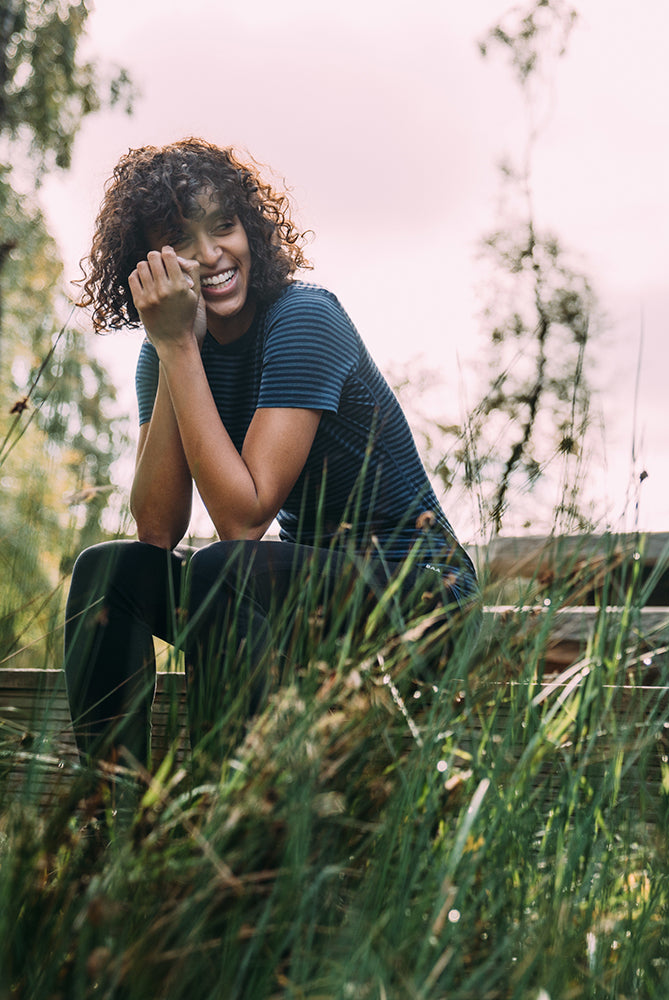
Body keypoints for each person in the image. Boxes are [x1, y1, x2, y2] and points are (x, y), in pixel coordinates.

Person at [63, 138, 478, 770]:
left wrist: (178, 350)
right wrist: (178, 347)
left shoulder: (304, 319)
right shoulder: (167, 349)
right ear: (147, 262)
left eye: (223, 226)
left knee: (221, 566)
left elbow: (243, 521)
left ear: (250, 228)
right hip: (299, 600)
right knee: (107, 574)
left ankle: (220, 831)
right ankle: (110, 820)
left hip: (420, 596)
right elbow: (156, 528)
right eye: (180, 239)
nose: (210, 255)